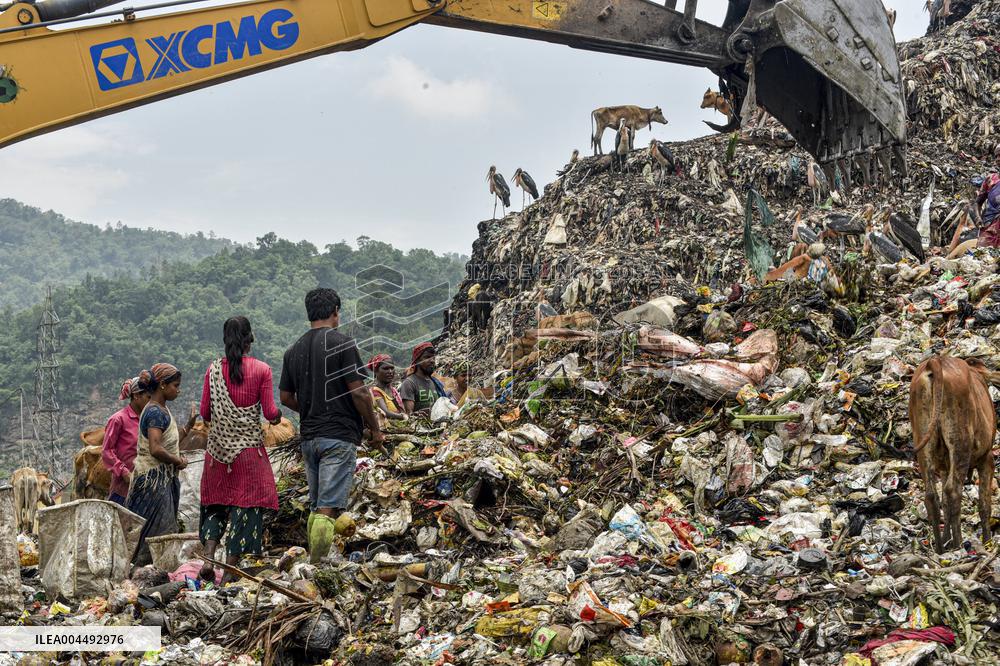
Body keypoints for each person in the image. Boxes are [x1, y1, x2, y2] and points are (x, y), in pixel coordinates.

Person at [279, 288, 383, 563]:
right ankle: (316, 566)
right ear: (335, 310)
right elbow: (359, 392)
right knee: (327, 509)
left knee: (316, 507)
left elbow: (286, 397)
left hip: (309, 438)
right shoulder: (343, 343)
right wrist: (375, 428)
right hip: (338, 437)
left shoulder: (293, 350)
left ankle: (308, 564)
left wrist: (313, 408)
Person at [197, 317, 283, 583]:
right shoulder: (261, 370)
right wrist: (278, 415)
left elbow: (204, 413)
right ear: (250, 338)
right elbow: (269, 412)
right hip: (247, 454)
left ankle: (209, 558)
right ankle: (228, 574)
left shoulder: (212, 371)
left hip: (218, 454)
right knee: (245, 510)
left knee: (216, 506)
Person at [127, 363, 197, 566]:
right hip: (153, 483)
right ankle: (147, 572)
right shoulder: (155, 413)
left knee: (157, 531)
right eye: (176, 385)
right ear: (163, 385)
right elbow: (156, 448)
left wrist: (188, 427)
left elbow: (169, 443)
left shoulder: (161, 410)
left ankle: (151, 572)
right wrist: (179, 461)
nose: (179, 389)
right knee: (157, 532)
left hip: (161, 480)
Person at [101, 376, 151, 505]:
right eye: (148, 397)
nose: (150, 402)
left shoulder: (148, 420)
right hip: (123, 490)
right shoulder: (118, 419)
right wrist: (123, 472)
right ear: (136, 396)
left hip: (145, 488)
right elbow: (107, 451)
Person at [399, 342, 449, 414]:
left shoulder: (435, 383)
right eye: (427, 357)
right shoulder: (409, 383)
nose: (432, 361)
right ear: (417, 361)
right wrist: (422, 413)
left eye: (433, 357)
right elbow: (409, 415)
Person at [367, 354, 407, 426]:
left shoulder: (394, 390)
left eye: (392, 368)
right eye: (385, 368)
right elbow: (386, 413)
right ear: (376, 371)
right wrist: (403, 416)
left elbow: (401, 411)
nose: (390, 371)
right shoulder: (375, 391)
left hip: (399, 426)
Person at [976, 172, 1000, 247]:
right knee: (982, 251)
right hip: (990, 222)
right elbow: (978, 202)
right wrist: (978, 217)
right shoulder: (990, 179)